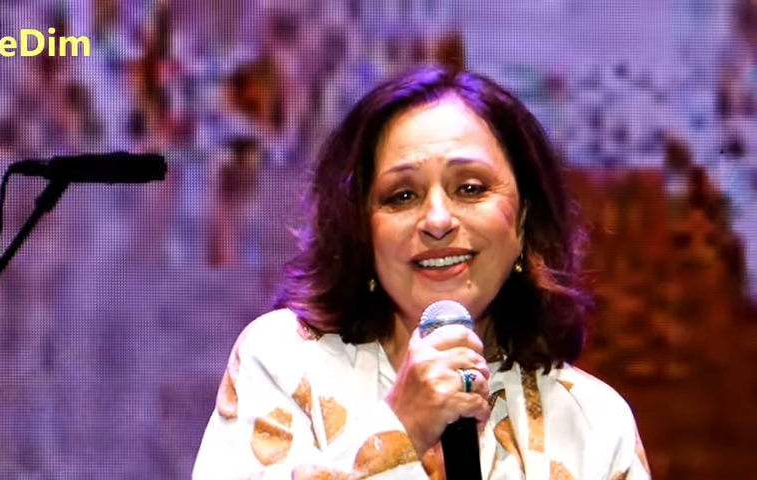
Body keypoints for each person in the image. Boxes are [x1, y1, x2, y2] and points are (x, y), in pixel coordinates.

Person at [192, 65, 651, 479]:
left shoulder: (592, 421)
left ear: (523, 221)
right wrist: (402, 425)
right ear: (363, 231)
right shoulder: (283, 362)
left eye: (470, 188)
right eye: (402, 196)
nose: (437, 221)